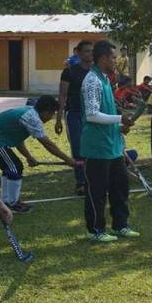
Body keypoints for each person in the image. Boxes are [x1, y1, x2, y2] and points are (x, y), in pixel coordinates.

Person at [81, 40, 138, 242]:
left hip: (112, 145)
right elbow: (92, 115)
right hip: (97, 147)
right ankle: (95, 230)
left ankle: (121, 225)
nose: (116, 60)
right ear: (104, 58)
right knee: (97, 192)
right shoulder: (91, 80)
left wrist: (120, 125)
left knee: (120, 187)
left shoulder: (105, 79)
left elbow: (107, 111)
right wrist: (118, 119)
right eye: (113, 57)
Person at [0, 96, 81, 213]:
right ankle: (12, 204)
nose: (51, 118)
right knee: (14, 167)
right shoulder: (32, 118)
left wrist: (28, 156)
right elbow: (48, 144)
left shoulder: (29, 112)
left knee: (11, 167)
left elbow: (17, 139)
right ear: (46, 111)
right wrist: (68, 159)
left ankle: (6, 202)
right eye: (52, 114)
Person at [56, 40, 93, 195]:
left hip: (91, 115)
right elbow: (63, 95)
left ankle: (92, 179)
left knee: (92, 147)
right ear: (78, 52)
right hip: (74, 115)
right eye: (86, 51)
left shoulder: (96, 72)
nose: (89, 54)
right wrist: (58, 119)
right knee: (78, 148)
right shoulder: (69, 72)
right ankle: (81, 182)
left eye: (92, 51)